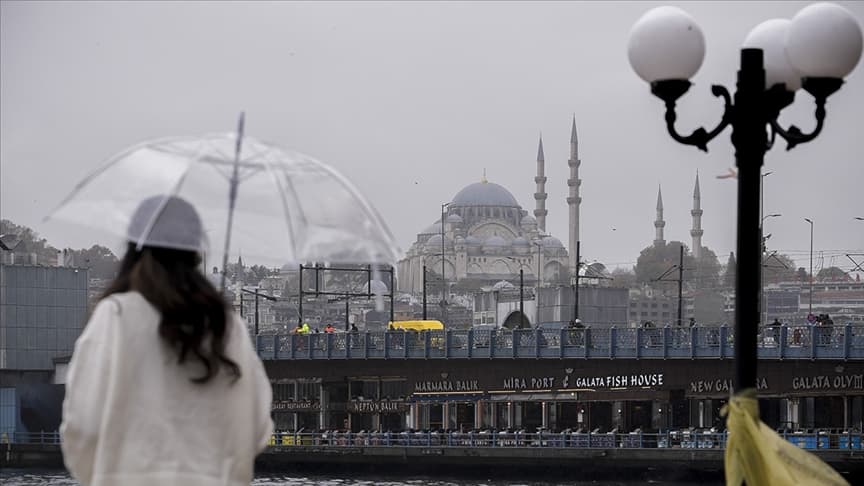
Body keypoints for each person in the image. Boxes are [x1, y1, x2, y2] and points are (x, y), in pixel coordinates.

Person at [60, 196, 273, 486]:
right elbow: (257, 428)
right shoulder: (227, 326)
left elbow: (81, 424)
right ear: (195, 253)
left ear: (135, 249)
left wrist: (101, 473)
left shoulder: (116, 316)